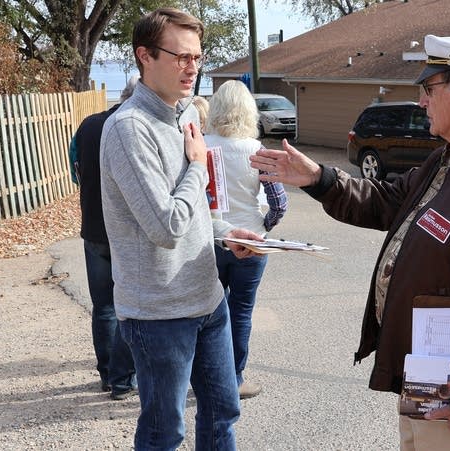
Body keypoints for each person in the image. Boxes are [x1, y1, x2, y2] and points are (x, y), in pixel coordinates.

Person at [250, 34, 450, 451]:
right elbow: (389, 202)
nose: (422, 101)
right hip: (433, 385)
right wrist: (319, 179)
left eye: (428, 89)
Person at [99, 8, 262, 450]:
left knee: (224, 413)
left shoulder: (185, 115)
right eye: (180, 56)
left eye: (197, 56)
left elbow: (195, 215)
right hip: (158, 315)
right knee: (163, 433)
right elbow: (165, 226)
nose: (192, 67)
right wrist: (196, 167)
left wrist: (226, 235)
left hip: (208, 300)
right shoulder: (128, 129)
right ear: (145, 56)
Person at [204, 80, 288, 399]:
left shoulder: (201, 145)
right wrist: (263, 223)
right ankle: (235, 379)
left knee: (210, 311)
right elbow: (279, 203)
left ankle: (207, 377)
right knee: (241, 310)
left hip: (212, 239)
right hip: (252, 240)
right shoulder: (257, 151)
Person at [68, 76, 139, 400]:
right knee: (132, 305)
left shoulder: (88, 126)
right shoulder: (139, 128)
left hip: (94, 229)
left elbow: (74, 170)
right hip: (129, 233)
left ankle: (108, 373)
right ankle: (126, 374)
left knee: (104, 306)